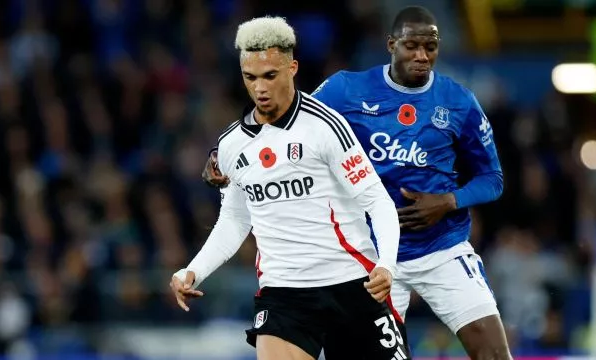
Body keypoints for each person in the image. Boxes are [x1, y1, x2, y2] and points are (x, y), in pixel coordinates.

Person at [203, 6, 513, 360]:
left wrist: (449, 201)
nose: (422, 56)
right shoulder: (346, 89)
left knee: (494, 353)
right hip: (370, 257)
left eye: (431, 46)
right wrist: (222, 154)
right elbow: (288, 122)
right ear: (391, 44)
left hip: (442, 247)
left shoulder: (459, 101)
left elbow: (493, 178)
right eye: (412, 46)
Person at [171, 16, 411, 360]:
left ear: (292, 68)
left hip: (353, 284)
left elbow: (377, 201)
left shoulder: (325, 126)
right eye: (250, 78)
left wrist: (386, 264)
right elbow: (235, 220)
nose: (260, 88)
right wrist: (192, 270)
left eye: (270, 75)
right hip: (284, 294)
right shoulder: (230, 145)